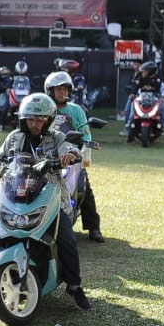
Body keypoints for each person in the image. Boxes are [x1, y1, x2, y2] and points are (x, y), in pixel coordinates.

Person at [0, 94, 92, 310]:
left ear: (48, 120)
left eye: (40, 120)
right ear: (23, 119)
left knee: (66, 238)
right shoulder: (14, 138)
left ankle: (75, 285)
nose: (35, 124)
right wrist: (6, 171)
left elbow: (70, 151)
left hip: (50, 197)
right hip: (15, 195)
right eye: (31, 119)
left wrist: (70, 156)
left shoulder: (56, 138)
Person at [46, 70, 105, 244]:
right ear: (50, 91)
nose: (63, 93)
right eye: (59, 89)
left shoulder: (77, 110)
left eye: (66, 89)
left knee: (84, 188)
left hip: (73, 157)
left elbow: (85, 134)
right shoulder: (45, 108)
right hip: (49, 157)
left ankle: (94, 227)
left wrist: (86, 144)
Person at [123, 60, 164, 131]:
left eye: (144, 71)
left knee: (163, 104)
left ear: (150, 71)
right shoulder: (141, 78)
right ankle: (130, 121)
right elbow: (136, 87)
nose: (142, 73)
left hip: (154, 98)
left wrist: (162, 97)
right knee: (133, 104)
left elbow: (160, 89)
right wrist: (133, 94)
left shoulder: (157, 79)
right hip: (142, 98)